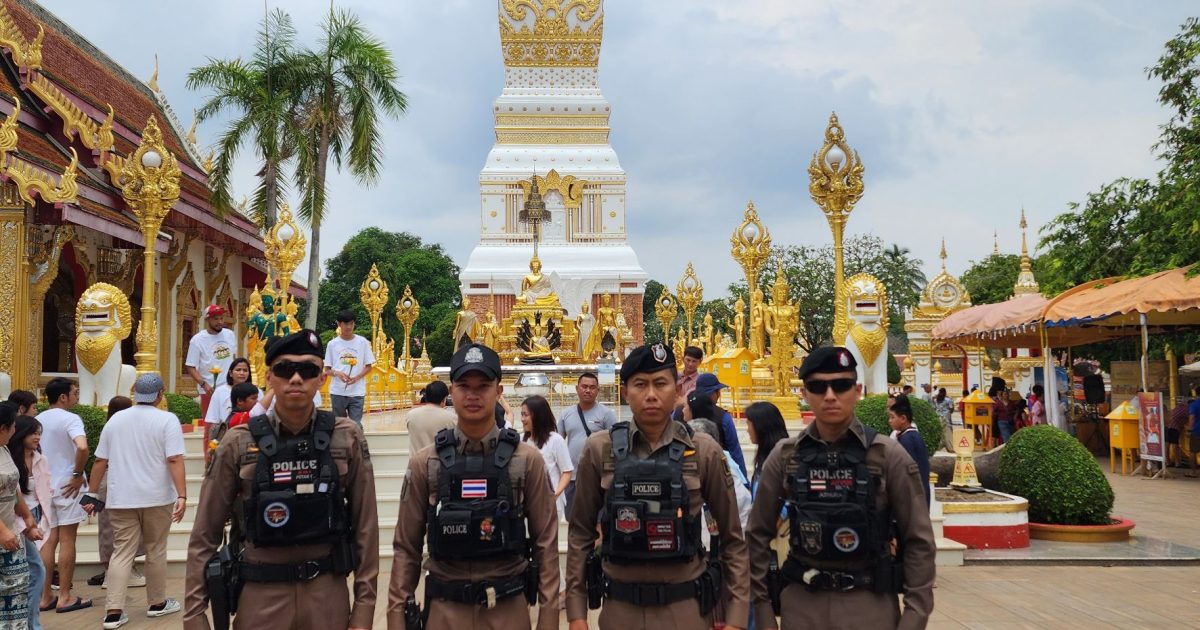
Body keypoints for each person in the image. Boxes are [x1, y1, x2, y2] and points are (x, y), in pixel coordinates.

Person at [184, 329, 379, 630]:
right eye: (285, 369)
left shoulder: (346, 437)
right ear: (269, 378)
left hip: (326, 594)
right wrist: (194, 615)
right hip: (261, 593)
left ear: (322, 378)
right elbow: (205, 534)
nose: (296, 378)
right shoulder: (238, 442)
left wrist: (364, 611)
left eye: (308, 370)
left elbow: (366, 527)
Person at [747, 346, 936, 629]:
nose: (830, 395)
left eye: (841, 385)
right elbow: (757, 535)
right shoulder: (786, 456)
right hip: (802, 609)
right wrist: (763, 613)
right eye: (818, 386)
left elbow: (919, 541)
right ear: (804, 393)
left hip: (870, 609)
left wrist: (914, 617)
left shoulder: (888, 456)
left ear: (857, 390)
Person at [565, 343, 749, 630]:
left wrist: (736, 618)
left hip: (686, 612)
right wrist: (576, 614)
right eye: (640, 384)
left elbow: (733, 539)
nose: (651, 394)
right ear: (625, 392)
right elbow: (579, 534)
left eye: (660, 383)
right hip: (620, 612)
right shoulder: (600, 449)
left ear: (677, 391)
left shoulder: (704, 451)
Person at [387, 343, 559, 629]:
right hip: (444, 611)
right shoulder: (425, 463)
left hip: (507, 610)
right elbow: (406, 548)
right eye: (464, 386)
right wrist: (396, 617)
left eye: (483, 386)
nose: (473, 395)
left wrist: (549, 619)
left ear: (498, 391)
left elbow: (546, 545)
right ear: (451, 391)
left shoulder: (527, 461)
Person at [82, 375, 186, 628]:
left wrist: (92, 493)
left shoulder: (116, 420)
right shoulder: (167, 420)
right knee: (155, 549)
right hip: (157, 496)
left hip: (121, 496)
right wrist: (182, 494)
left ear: (135, 393)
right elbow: (174, 459)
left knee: (121, 551)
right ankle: (157, 603)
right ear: (160, 394)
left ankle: (114, 611)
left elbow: (100, 460)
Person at [35, 378, 90, 614]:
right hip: (68, 485)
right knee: (68, 539)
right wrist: (77, 473)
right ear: (63, 397)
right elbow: (82, 447)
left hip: (45, 485)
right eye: (75, 392)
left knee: (49, 539)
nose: (77, 396)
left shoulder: (38, 419)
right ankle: (65, 595)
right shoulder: (71, 419)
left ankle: (45, 595)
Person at [92, 398, 149, 593]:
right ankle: (115, 572)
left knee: (113, 527)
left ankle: (117, 569)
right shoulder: (125, 429)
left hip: (112, 479)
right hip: (119, 478)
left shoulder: (109, 428)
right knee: (118, 528)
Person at [0, 403, 39, 629]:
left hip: (10, 534)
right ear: (3, 428)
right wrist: (3, 531)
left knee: (16, 590)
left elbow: (13, 487)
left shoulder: (4, 450)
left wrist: (26, 517)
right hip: (4, 533)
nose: (15, 430)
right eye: (13, 426)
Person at [9, 414, 49, 630]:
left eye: (39, 433)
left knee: (30, 571)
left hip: (37, 517)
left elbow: (46, 488)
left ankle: (28, 622)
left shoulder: (40, 458)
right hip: (17, 520)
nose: (37, 437)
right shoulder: (9, 460)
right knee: (36, 570)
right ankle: (32, 624)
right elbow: (13, 499)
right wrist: (27, 525)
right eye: (33, 433)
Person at [556, 372, 617, 516]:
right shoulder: (566, 414)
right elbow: (558, 442)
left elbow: (615, 442)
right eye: (584, 387)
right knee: (572, 516)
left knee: (597, 517)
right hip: (572, 476)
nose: (588, 390)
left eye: (592, 387)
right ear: (577, 388)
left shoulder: (606, 414)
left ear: (598, 390)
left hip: (597, 476)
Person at [522, 396, 573, 521]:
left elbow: (567, 471)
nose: (522, 419)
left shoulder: (556, 440)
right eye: (522, 414)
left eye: (526, 415)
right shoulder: (520, 440)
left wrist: (554, 495)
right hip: (527, 504)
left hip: (550, 505)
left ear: (538, 416)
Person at [691, 373, 748, 479]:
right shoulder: (723, 417)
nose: (719, 395)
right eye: (717, 392)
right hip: (717, 472)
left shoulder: (682, 412)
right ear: (713, 393)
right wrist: (743, 480)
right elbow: (734, 451)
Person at [324, 310, 376, 425]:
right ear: (339, 324)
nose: (349, 327)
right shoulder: (332, 344)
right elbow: (327, 370)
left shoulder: (362, 342)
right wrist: (338, 373)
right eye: (346, 324)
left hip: (357, 392)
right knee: (339, 425)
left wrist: (357, 377)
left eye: (351, 323)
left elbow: (369, 366)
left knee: (356, 424)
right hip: (338, 392)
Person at [185, 305, 238, 416]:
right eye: (215, 319)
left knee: (230, 420)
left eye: (221, 318)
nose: (220, 322)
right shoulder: (197, 340)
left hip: (229, 388)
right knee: (210, 422)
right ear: (207, 319)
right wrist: (204, 384)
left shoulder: (230, 335)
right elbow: (190, 366)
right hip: (209, 390)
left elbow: (233, 360)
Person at [203, 358, 262, 442]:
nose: (242, 373)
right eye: (238, 370)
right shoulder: (220, 391)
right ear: (230, 373)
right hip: (225, 436)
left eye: (245, 370)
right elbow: (213, 420)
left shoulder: (257, 391)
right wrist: (212, 443)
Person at [889, 395, 931, 508]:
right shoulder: (912, 435)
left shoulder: (906, 440)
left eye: (892, 417)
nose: (890, 421)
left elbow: (906, 471)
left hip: (912, 496)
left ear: (903, 418)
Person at [744, 402, 789, 496]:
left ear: (760, 427)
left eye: (749, 425)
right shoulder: (763, 456)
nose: (747, 430)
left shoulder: (781, 460)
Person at [404, 380, 457, 454]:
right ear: (444, 398)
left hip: (415, 460)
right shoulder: (451, 418)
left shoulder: (410, 415)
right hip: (440, 461)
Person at [932, 387, 955, 452]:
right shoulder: (948, 400)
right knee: (948, 433)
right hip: (946, 418)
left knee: (940, 432)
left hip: (938, 417)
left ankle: (939, 446)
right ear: (945, 392)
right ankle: (950, 447)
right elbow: (951, 409)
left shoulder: (936, 399)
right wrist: (949, 412)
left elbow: (934, 408)